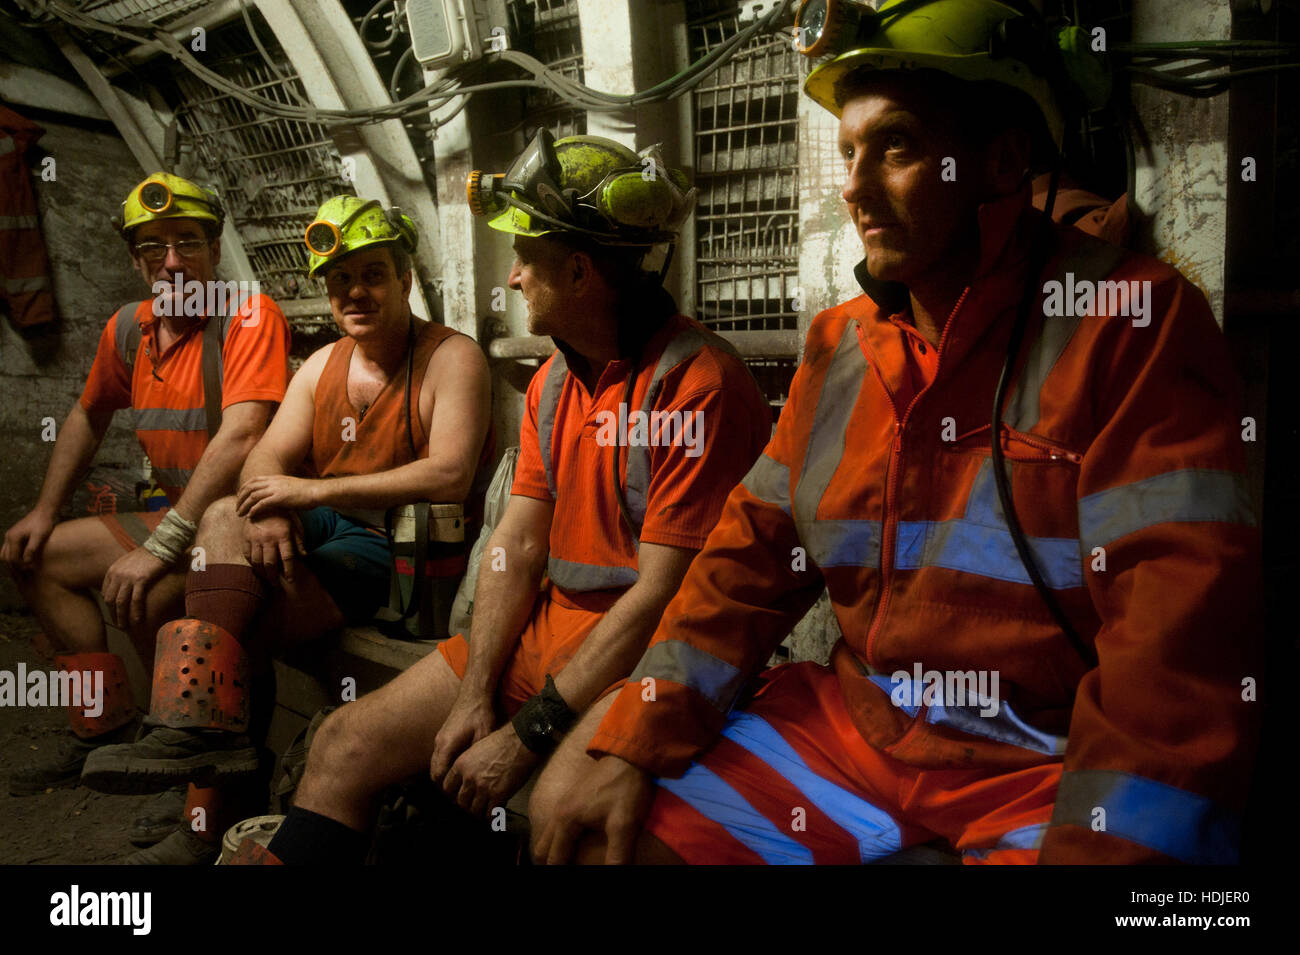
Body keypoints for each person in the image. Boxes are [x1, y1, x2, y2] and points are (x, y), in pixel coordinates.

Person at [537, 0, 1262, 865]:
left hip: (1042, 763)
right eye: (848, 151)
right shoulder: (839, 345)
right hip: (857, 733)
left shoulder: (1128, 321)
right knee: (597, 845)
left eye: (899, 146)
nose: (853, 182)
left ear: (1001, 159)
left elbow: (1174, 652)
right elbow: (746, 566)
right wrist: (632, 735)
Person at [226, 132, 772, 864]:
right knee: (342, 741)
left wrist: (529, 733)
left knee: (566, 824)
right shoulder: (554, 384)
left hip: (643, 661)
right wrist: (476, 690)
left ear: (579, 272)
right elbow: (515, 547)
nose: (511, 278)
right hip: (544, 638)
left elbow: (664, 599)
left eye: (525, 259)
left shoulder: (697, 383)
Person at [79, 195, 493, 864]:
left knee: (203, 614)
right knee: (222, 514)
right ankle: (206, 744)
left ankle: (207, 806)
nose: (355, 292)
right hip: (327, 524)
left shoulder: (453, 357)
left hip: (401, 546)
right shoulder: (326, 364)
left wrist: (306, 490)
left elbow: (447, 473)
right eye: (339, 281)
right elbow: (263, 460)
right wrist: (271, 503)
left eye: (372, 275)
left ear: (405, 278)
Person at [2, 172, 291, 807]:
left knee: (152, 600)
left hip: (233, 526)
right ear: (137, 261)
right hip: (176, 517)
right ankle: (106, 725)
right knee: (33, 556)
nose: (171, 261)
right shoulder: (128, 329)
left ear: (215, 252)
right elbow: (87, 414)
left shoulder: (248, 314)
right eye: (153, 246)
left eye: (188, 241)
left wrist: (160, 547)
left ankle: (204, 784)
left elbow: (243, 435)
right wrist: (44, 511)